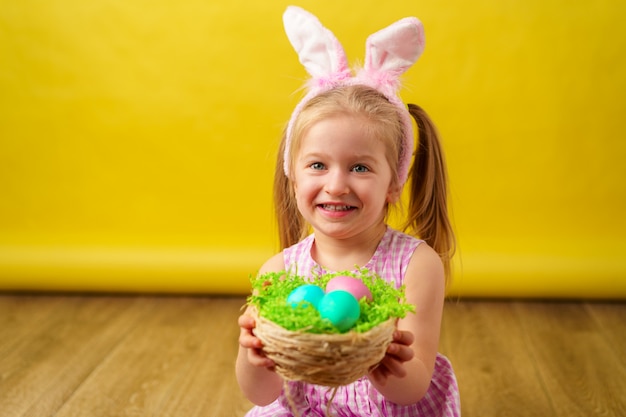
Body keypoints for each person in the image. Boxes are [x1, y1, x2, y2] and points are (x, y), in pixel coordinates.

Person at [236, 6, 460, 416]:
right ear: (293, 177)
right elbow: (262, 394)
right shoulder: (279, 272)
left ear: (394, 183)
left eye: (359, 167)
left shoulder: (416, 265)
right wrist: (254, 356)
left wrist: (383, 362)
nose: (336, 185)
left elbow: (412, 390)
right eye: (318, 165)